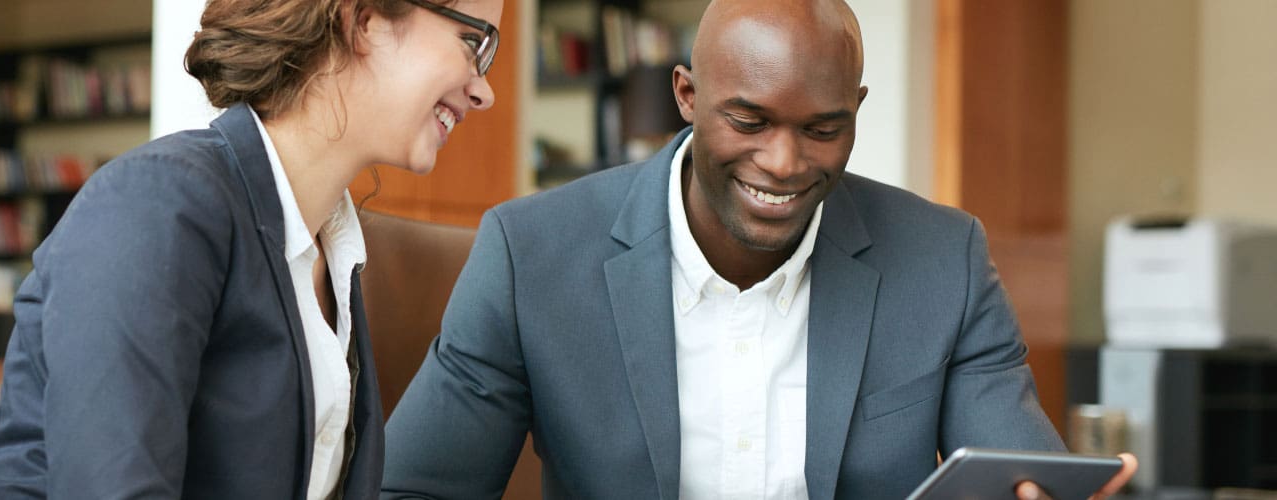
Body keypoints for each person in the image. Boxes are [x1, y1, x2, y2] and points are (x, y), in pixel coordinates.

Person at [380, 0, 1134, 499]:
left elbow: (1023, 478)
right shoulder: (531, 254)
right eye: (748, 120)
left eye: (822, 129)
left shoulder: (944, 262)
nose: (783, 162)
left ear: (856, 111)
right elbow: (417, 490)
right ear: (686, 94)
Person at [0, 0, 501, 497]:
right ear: (364, 20)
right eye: (474, 42)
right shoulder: (159, 201)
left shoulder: (336, 254)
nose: (484, 88)